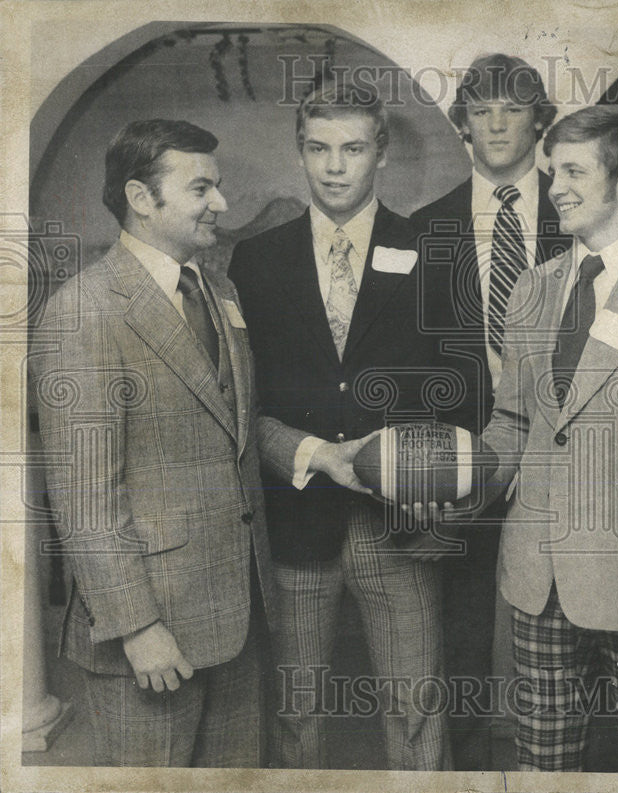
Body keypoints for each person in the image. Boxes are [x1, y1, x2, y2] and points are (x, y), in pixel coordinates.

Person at [417, 104, 618, 772]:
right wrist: (465, 479)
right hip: (537, 571)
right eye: (552, 170)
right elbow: (515, 423)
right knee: (543, 761)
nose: (555, 186)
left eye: (573, 171)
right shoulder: (530, 291)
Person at [32, 119, 291, 766]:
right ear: (141, 198)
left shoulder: (217, 289)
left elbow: (235, 426)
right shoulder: (83, 311)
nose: (222, 203)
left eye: (219, 186)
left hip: (237, 613)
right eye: (201, 187)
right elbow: (85, 497)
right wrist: (138, 627)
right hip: (149, 633)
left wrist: (325, 456)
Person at [228, 82, 471, 770]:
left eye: (353, 148)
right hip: (295, 520)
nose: (335, 166)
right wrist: (309, 453)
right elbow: (246, 399)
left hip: (402, 519)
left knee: (416, 705)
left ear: (382, 154)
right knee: (297, 709)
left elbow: (465, 390)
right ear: (300, 152)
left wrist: (443, 496)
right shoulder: (256, 258)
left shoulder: (435, 248)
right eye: (319, 148)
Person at [409, 52, 571, 770]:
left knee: (571, 640)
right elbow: (410, 365)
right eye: (481, 108)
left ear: (541, 120)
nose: (498, 121)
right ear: (463, 124)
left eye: (514, 106)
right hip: (465, 461)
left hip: (571, 466)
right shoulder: (423, 227)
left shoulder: (583, 214)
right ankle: (471, 772)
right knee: (464, 639)